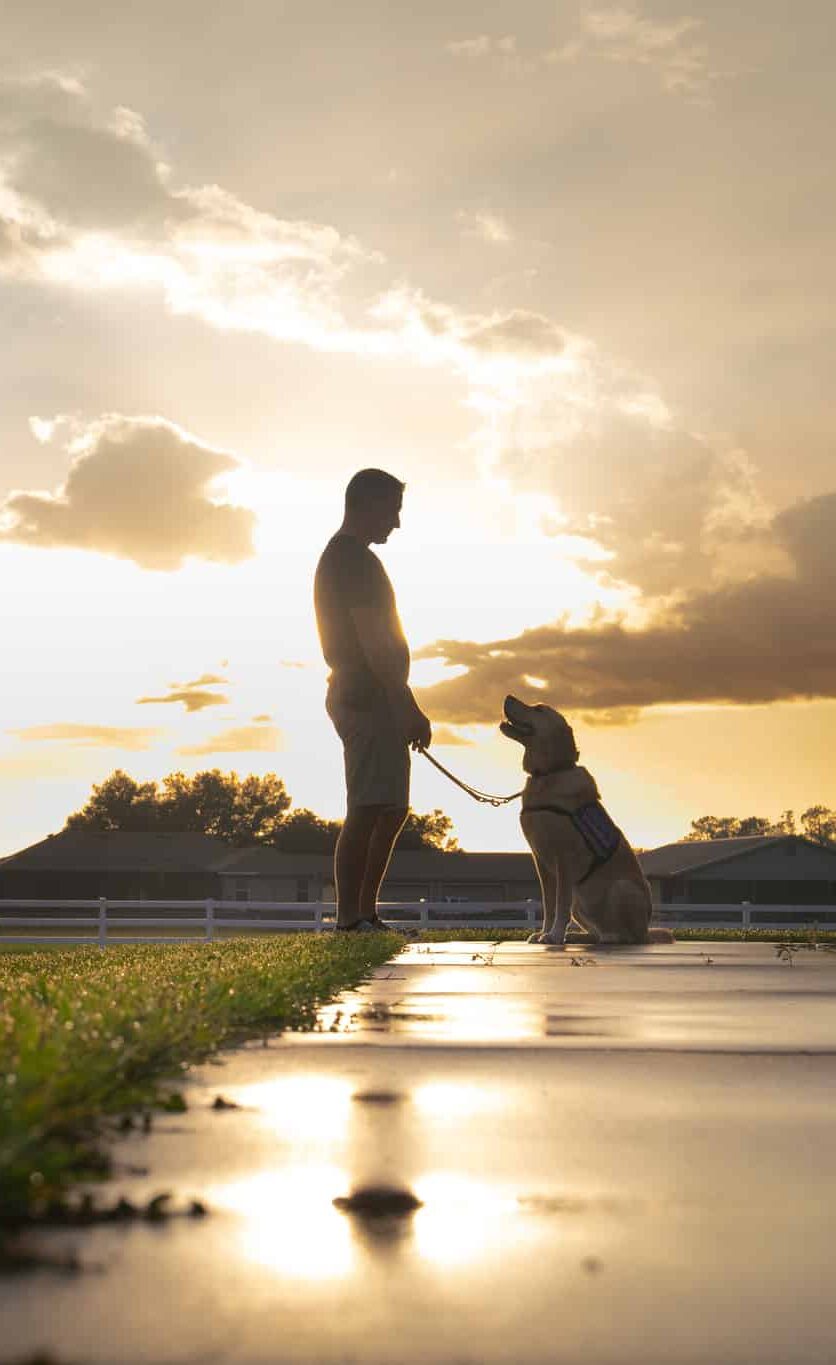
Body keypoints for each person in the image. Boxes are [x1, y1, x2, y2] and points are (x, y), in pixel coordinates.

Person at [314, 468, 432, 931]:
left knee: (391, 807)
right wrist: (406, 705)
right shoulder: (352, 561)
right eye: (392, 511)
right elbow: (372, 641)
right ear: (367, 504)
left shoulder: (352, 559)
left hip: (373, 694)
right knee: (367, 806)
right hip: (365, 696)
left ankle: (364, 913)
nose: (397, 523)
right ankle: (350, 918)